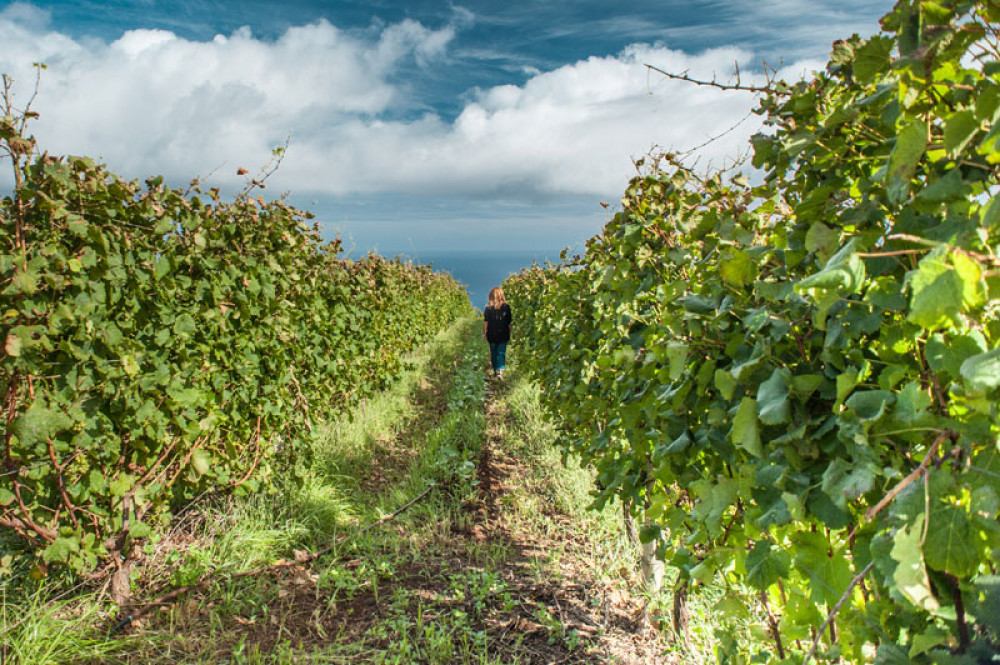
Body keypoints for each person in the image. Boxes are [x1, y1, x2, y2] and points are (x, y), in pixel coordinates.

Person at [482, 286, 512, 378]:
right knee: (501, 352)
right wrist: (510, 332)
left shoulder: (488, 308)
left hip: (491, 334)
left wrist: (484, 333)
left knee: (494, 352)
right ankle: (500, 371)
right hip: (503, 333)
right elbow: (509, 322)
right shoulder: (506, 307)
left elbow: (486, 322)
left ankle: (495, 370)